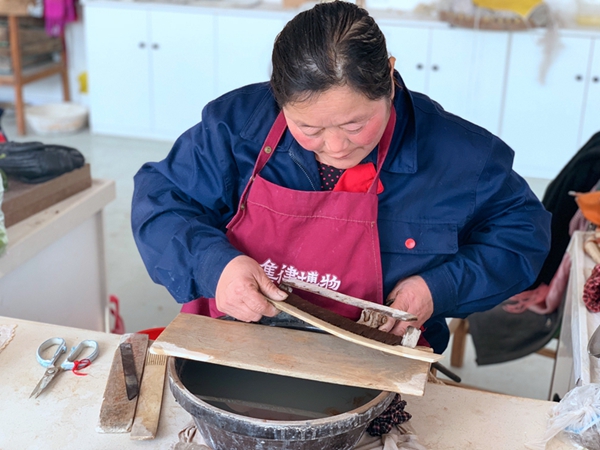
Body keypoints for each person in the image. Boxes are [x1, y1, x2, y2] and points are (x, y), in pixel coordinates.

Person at [131, 0, 551, 354]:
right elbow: (161, 200)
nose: (335, 147)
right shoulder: (234, 127)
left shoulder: (460, 155)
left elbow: (522, 234)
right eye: (309, 129)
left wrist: (436, 288)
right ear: (279, 97)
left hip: (379, 359)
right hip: (239, 342)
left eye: (355, 125)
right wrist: (214, 266)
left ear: (388, 78)